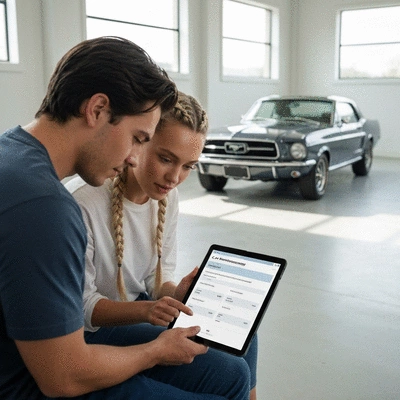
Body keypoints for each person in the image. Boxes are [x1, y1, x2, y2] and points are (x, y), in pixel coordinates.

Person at [0, 37, 250, 399]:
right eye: (137, 138)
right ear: (98, 109)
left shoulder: (11, 151)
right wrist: (154, 351)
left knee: (230, 373)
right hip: (29, 383)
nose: (134, 158)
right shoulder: (46, 207)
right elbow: (64, 378)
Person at [66, 91, 258, 399]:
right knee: (231, 372)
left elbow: (156, 283)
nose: (174, 177)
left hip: (138, 308)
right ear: (139, 142)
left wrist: (175, 293)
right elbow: (81, 309)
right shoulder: (83, 202)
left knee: (243, 331)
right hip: (93, 331)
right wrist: (148, 309)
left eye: (188, 166)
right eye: (166, 159)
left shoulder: (167, 196)